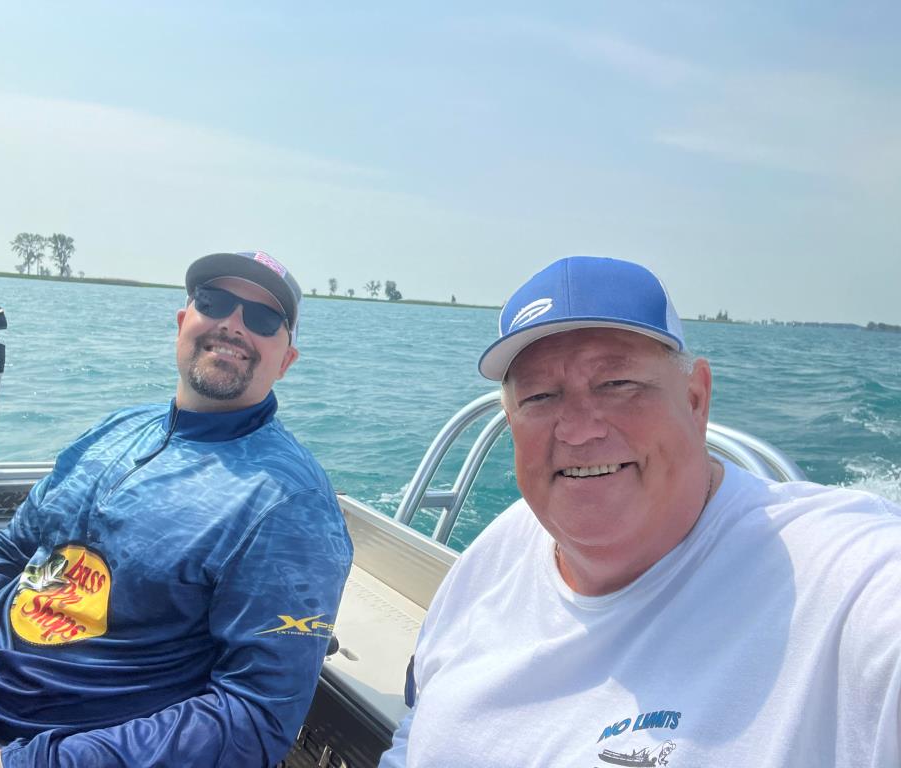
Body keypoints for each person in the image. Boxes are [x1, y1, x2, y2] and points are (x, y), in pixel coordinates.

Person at [379, 255, 901, 767]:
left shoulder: (844, 582)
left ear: (696, 399)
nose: (579, 428)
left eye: (617, 384)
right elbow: (418, 728)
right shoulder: (495, 557)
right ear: (511, 418)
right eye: (540, 396)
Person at [0, 251, 353, 768]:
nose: (233, 324)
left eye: (263, 318)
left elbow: (255, 718)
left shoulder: (289, 507)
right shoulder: (116, 428)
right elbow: (13, 549)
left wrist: (34, 764)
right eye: (214, 301)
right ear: (182, 322)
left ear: (286, 361)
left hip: (35, 742)